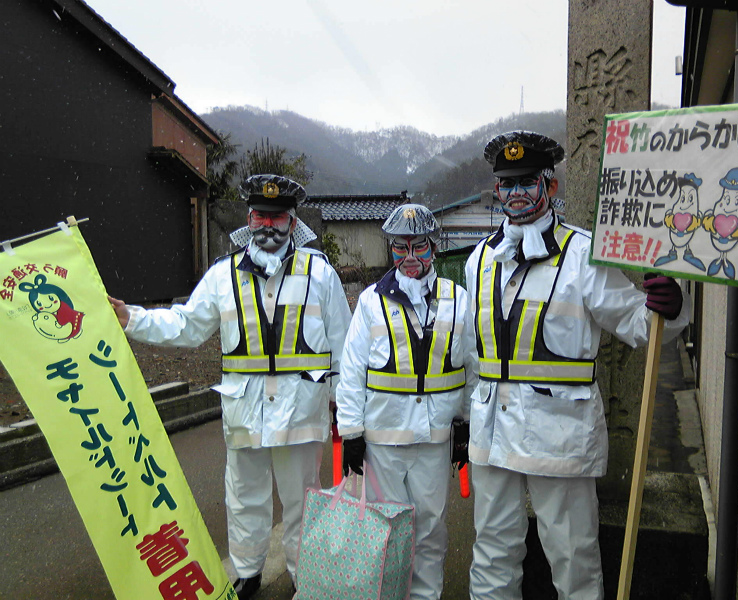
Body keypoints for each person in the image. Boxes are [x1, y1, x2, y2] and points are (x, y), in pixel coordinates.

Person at [465, 131, 690, 600]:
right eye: (507, 183)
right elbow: (475, 350)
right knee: (491, 552)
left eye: (528, 181)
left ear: (551, 186)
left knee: (573, 557)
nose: (517, 193)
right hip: (491, 434)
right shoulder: (479, 260)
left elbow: (637, 321)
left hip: (559, 435)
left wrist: (671, 306)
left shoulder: (583, 255)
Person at [109, 174, 352, 600]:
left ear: (293, 222)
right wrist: (133, 318)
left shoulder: (321, 273)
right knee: (244, 500)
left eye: (278, 217)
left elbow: (343, 348)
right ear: (248, 218)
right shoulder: (223, 276)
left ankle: (306, 577)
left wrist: (345, 414)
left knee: (303, 501)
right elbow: (186, 324)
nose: (269, 226)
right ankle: (249, 572)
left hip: (302, 411)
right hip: (245, 412)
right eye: (261, 216)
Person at [335, 204, 478, 600]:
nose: (411, 257)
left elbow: (473, 367)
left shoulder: (457, 299)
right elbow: (352, 372)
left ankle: (425, 596)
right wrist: (351, 432)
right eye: (401, 247)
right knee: (386, 532)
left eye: (420, 246)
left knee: (431, 530)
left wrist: (465, 423)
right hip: (383, 443)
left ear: (434, 246)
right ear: (391, 248)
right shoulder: (369, 302)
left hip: (435, 441)